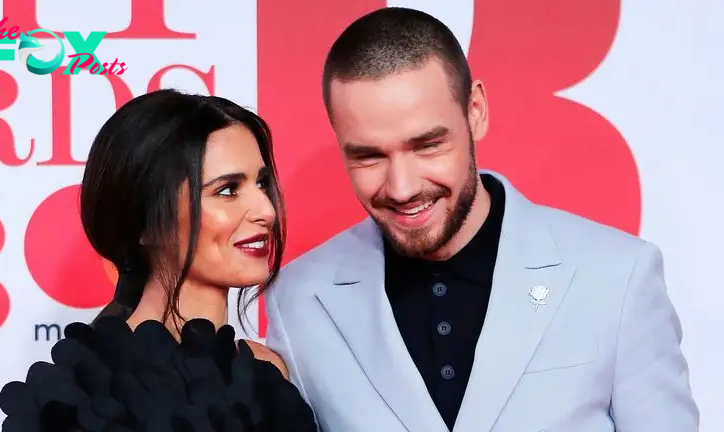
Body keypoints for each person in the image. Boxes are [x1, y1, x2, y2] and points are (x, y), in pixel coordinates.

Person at [265, 7, 698, 432]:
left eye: (427, 146)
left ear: (475, 111)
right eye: (369, 156)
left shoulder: (617, 276)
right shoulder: (300, 299)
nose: (401, 187)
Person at [0, 89, 318, 431]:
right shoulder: (82, 398)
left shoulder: (269, 372)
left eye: (262, 183)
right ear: (145, 222)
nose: (267, 211)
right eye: (227, 190)